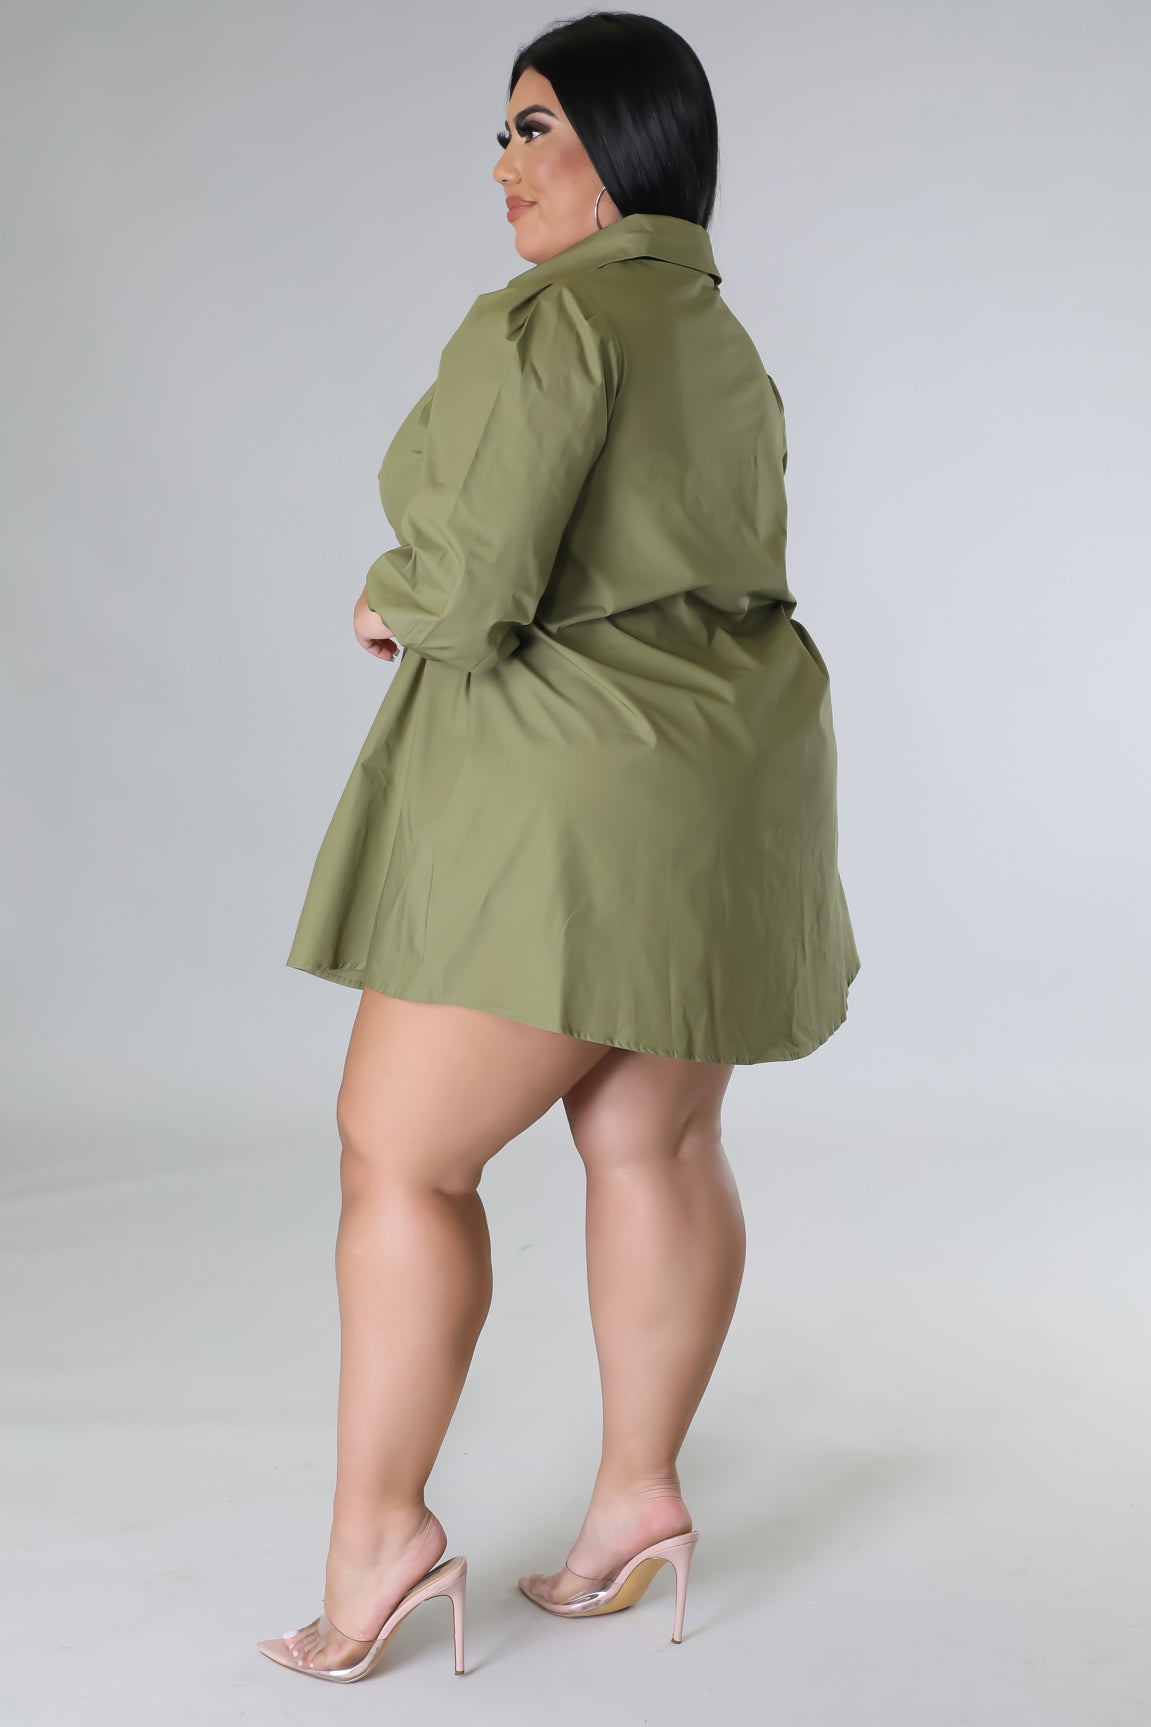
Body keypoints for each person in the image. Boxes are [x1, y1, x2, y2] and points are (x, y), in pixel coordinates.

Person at [259, 10, 860, 1684]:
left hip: (575, 798)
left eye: (536, 128)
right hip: (733, 790)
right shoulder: (719, 336)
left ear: (625, 148)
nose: (505, 166)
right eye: (502, 135)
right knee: (654, 1143)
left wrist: (391, 594)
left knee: (398, 1154)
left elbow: (476, 586)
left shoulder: (548, 321)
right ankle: (636, 1501)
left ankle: (378, 1546)